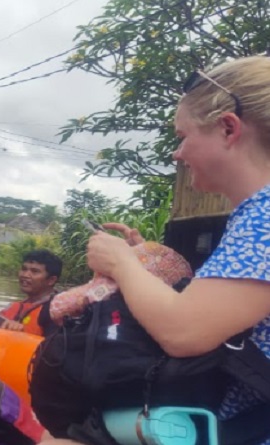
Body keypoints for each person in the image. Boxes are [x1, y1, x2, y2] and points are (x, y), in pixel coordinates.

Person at [43, 56, 270, 444]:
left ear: (228, 128)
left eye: (183, 136)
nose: (176, 153)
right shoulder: (253, 215)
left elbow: (184, 331)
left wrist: (121, 263)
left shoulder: (264, 217)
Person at [0, 249, 62, 337]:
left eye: (34, 271)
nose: (25, 275)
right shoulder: (16, 306)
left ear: (51, 280)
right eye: (24, 269)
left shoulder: (57, 311)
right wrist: (7, 324)